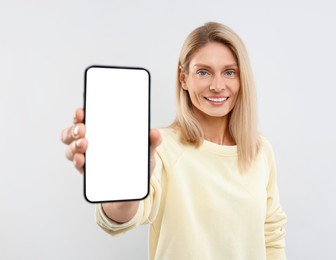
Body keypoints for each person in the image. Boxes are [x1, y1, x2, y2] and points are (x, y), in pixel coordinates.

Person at [61, 21, 287, 260]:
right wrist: (123, 183)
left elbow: (271, 235)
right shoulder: (159, 148)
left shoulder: (260, 151)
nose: (218, 86)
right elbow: (118, 220)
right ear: (183, 78)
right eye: (203, 72)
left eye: (229, 72)